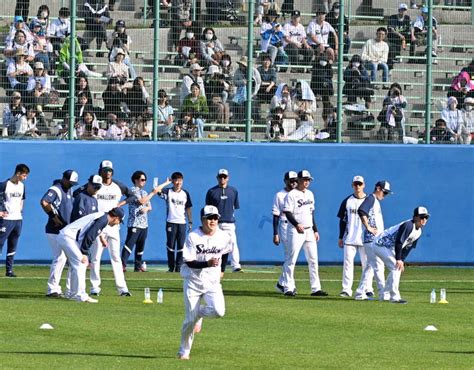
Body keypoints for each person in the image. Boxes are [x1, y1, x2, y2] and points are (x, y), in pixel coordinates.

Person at [177, 205, 232, 360]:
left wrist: (222, 270)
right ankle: (184, 351)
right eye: (209, 218)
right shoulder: (193, 237)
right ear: (203, 219)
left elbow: (226, 252)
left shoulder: (224, 236)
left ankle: (199, 314)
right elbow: (189, 261)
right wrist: (206, 264)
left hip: (212, 281)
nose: (213, 221)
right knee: (189, 320)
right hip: (193, 281)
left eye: (215, 218)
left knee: (219, 312)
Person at [86, 160, 137, 296]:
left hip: (114, 225)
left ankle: (122, 288)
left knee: (116, 257)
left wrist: (121, 204)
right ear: (100, 171)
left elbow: (132, 196)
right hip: (98, 224)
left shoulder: (118, 186)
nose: (108, 173)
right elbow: (81, 193)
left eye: (110, 170)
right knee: (96, 257)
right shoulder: (96, 185)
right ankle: (95, 287)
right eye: (105, 170)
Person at [57, 207, 125, 303]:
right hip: (68, 237)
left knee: (76, 265)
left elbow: (91, 233)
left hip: (66, 236)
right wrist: (84, 253)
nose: (117, 223)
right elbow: (90, 235)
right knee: (81, 263)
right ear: (116, 218)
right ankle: (81, 295)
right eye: (119, 221)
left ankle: (72, 293)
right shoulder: (104, 219)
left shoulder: (102, 216)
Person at [368, 207, 430, 304]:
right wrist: (398, 259)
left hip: (388, 247)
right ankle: (394, 298)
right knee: (395, 267)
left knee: (397, 268)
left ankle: (385, 295)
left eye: (426, 217)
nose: (424, 220)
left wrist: (402, 260)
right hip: (380, 244)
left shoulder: (419, 231)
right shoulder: (408, 225)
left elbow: (408, 247)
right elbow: (399, 243)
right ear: (415, 217)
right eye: (422, 217)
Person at [282, 170, 327, 297]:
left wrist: (315, 230)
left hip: (309, 230)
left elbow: (311, 213)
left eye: (309, 180)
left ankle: (316, 288)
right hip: (295, 230)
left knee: (313, 260)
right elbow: (287, 212)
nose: (307, 182)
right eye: (305, 179)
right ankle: (288, 287)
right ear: (299, 180)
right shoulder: (291, 194)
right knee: (291, 259)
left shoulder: (310, 194)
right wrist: (296, 225)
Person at [40, 170, 79, 298]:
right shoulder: (56, 189)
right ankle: (52, 289)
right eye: (70, 182)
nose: (72, 185)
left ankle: (69, 290)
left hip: (64, 230)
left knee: (67, 258)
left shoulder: (69, 190)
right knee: (60, 257)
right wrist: (53, 216)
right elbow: (44, 202)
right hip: (55, 230)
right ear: (64, 178)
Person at [121, 171, 168, 272]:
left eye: (145, 180)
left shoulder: (144, 192)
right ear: (136, 180)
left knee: (140, 247)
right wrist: (153, 193)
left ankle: (137, 267)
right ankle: (122, 265)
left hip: (144, 224)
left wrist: (147, 209)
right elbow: (141, 201)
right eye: (142, 180)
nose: (144, 182)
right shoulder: (132, 190)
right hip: (134, 223)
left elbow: (149, 206)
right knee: (129, 244)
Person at [354, 180, 392, 301]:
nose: (384, 196)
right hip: (371, 239)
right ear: (378, 188)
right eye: (384, 192)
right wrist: (368, 227)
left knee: (370, 266)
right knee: (378, 266)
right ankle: (383, 294)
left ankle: (360, 293)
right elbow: (361, 210)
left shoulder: (375, 201)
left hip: (374, 239)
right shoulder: (371, 198)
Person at [337, 175, 373, 298]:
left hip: (366, 239)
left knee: (367, 264)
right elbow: (342, 220)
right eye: (355, 184)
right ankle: (346, 289)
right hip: (350, 238)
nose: (358, 186)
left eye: (360, 184)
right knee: (348, 264)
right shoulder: (347, 201)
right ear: (352, 185)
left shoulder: (370, 200)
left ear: (364, 185)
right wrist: (340, 237)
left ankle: (368, 288)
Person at [205, 169, 242, 274]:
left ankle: (236, 266)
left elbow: (235, 207)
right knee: (213, 244)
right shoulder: (211, 191)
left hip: (229, 223)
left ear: (228, 178)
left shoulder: (233, 191)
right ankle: (212, 264)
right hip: (215, 223)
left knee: (233, 244)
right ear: (217, 178)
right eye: (220, 177)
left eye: (224, 177)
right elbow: (208, 208)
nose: (222, 179)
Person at [158, 172, 193, 273]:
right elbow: (156, 190)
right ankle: (171, 267)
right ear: (173, 181)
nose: (178, 183)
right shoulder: (168, 191)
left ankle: (178, 267)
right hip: (171, 222)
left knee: (181, 246)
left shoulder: (185, 193)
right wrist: (166, 183)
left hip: (182, 223)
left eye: (180, 180)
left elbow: (188, 208)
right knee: (170, 245)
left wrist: (190, 221)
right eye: (176, 180)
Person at [0, 164, 30, 277]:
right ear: (18, 173)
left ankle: (9, 270)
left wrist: (20, 210)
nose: (25, 178)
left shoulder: (22, 186)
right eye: (24, 175)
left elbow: (22, 199)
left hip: (17, 220)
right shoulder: (4, 185)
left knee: (13, 245)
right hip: (6, 220)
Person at [273, 171, 298, 294]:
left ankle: (281, 283)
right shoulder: (279, 195)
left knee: (291, 256)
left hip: (297, 227)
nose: (294, 182)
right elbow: (276, 215)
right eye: (291, 180)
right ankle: (289, 285)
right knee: (290, 256)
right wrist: (275, 233)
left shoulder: (299, 194)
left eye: (295, 180)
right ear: (285, 181)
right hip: (284, 224)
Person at [387, 3, 411, 69]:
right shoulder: (392, 17)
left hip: (404, 36)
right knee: (396, 39)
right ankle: (397, 56)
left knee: (412, 39)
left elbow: (410, 28)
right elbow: (391, 29)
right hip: (393, 35)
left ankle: (412, 58)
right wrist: (400, 35)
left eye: (404, 10)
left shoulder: (407, 18)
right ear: (399, 10)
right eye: (401, 10)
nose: (403, 11)